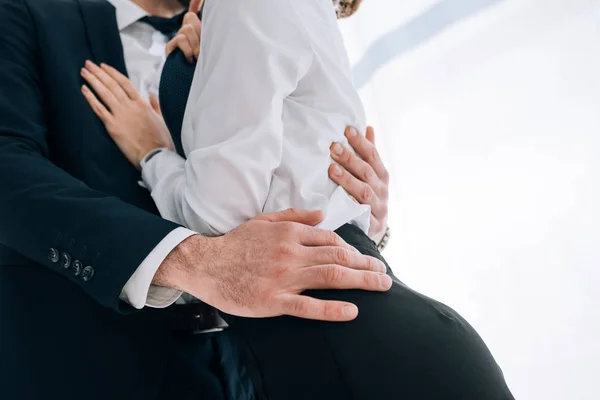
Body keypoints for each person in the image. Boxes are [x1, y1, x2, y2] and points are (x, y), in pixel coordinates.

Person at [80, 0, 516, 399]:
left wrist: (151, 153)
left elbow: (219, 217)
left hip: (353, 356)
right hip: (345, 346)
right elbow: (305, 176)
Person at [0, 0, 392, 399]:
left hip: (251, 373)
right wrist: (190, 261)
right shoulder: (30, 14)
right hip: (83, 369)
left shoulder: (244, 27)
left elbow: (280, 199)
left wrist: (362, 214)